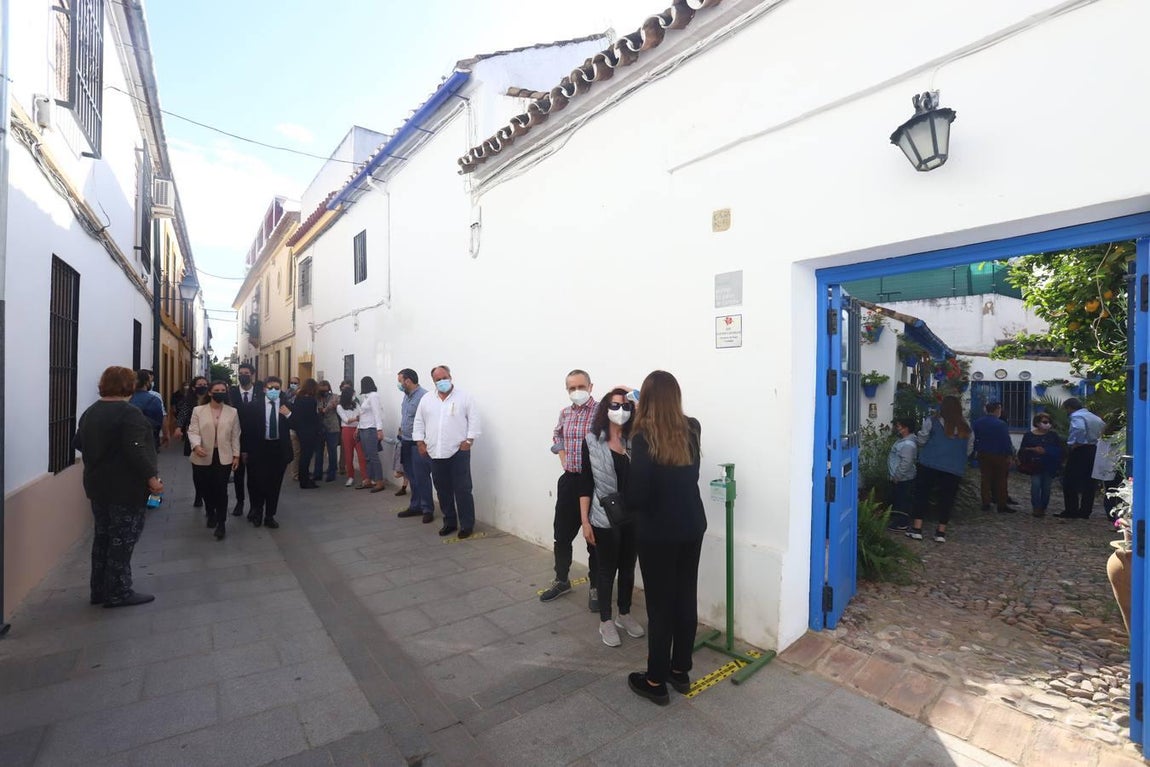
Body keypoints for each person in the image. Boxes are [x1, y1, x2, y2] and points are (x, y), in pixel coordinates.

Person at [624, 370, 705, 706]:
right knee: (685, 597)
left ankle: (655, 680)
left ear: (646, 398)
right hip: (691, 524)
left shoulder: (642, 436)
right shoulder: (693, 427)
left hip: (657, 531)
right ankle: (680, 670)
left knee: (659, 606)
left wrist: (625, 499)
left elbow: (638, 493)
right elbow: (693, 473)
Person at [73, 365, 163, 607]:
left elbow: (78, 442)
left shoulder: (90, 412)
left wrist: (103, 457)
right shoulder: (129, 413)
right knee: (122, 539)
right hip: (125, 488)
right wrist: (152, 479)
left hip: (97, 486)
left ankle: (99, 589)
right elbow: (136, 449)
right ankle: (119, 591)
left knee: (102, 537)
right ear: (129, 385)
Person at [580, 388, 644, 647]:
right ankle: (605, 620)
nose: (620, 411)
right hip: (604, 516)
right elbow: (585, 483)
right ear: (605, 408)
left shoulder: (637, 440)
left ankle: (624, 614)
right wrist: (585, 521)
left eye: (625, 407)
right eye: (615, 405)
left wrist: (638, 404)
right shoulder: (592, 441)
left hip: (633, 516)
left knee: (628, 568)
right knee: (607, 570)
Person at [540, 370, 600, 608]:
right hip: (569, 481)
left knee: (594, 538)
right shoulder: (565, 413)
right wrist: (562, 456)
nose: (577, 392)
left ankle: (596, 586)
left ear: (591, 386)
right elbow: (557, 435)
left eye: (581, 386)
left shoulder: (601, 412)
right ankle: (561, 579)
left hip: (594, 484)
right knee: (561, 535)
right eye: (571, 388)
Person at [414, 365, 481, 538]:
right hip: (435, 452)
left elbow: (474, 420)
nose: (442, 381)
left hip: (458, 452)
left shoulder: (464, 397)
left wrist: (469, 441)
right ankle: (449, 522)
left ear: (450, 377)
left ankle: (466, 525)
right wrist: (420, 443)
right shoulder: (427, 399)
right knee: (442, 489)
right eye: (438, 379)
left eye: (444, 377)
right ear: (433, 381)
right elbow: (419, 421)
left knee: (463, 489)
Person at [907, 395, 971, 543]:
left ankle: (917, 529)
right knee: (947, 499)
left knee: (922, 494)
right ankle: (941, 532)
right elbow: (968, 449)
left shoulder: (932, 421)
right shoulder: (966, 426)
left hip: (930, 463)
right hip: (954, 467)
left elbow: (922, 439)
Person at [188, 380, 242, 539]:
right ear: (210, 393)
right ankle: (210, 511)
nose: (220, 392)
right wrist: (196, 446)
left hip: (223, 456)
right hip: (202, 454)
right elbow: (193, 431)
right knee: (205, 488)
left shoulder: (232, 412)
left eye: (223, 390)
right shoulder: (198, 411)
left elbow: (235, 435)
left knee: (221, 489)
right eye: (217, 390)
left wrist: (236, 455)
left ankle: (221, 522)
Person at [240, 375, 293, 528]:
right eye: (271, 388)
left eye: (277, 388)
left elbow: (297, 424)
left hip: (278, 450)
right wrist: (244, 450)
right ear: (264, 389)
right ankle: (257, 512)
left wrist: (288, 414)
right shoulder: (253, 407)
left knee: (274, 485)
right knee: (258, 483)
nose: (274, 391)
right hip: (259, 449)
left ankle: (270, 515)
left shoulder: (286, 405)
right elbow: (246, 430)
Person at [395, 368, 435, 523]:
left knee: (422, 477)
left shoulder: (424, 396)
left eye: (400, 381)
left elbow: (428, 421)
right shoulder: (406, 397)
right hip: (405, 441)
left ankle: (427, 509)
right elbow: (406, 417)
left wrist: (423, 443)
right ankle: (415, 506)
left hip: (417, 444)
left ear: (408, 381)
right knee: (411, 476)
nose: (399, 385)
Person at [1059, 397, 1105, 519]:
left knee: (1069, 481)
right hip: (1094, 449)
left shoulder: (1077, 416)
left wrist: (1076, 442)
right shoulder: (1094, 417)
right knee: (1089, 482)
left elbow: (1078, 428)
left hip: (1081, 449)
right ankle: (1085, 511)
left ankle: (1071, 510)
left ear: (1069, 408)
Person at [228, 362, 261, 517]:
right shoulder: (231, 393)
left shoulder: (260, 391)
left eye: (246, 373)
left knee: (254, 476)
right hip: (237, 440)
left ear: (252, 374)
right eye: (241, 373)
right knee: (239, 475)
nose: (243, 375)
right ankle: (240, 502)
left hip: (256, 440)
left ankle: (254, 506)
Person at [972, 402, 1018, 513]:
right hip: (999, 455)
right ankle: (1001, 505)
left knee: (985, 479)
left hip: (983, 454)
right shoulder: (1001, 424)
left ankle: (986, 503)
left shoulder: (977, 423)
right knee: (1001, 480)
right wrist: (1010, 455)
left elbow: (974, 438)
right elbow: (1006, 441)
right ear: (997, 410)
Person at [1018, 413, 1065, 517]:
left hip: (1049, 465)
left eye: (1049, 422)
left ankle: (1043, 507)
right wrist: (1033, 449)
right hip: (1034, 465)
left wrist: (1046, 451)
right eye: (1044, 422)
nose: (1047, 424)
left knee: (1046, 488)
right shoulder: (1029, 435)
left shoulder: (1053, 436)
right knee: (1035, 485)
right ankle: (1036, 507)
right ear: (1037, 423)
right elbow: (1022, 449)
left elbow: (1060, 450)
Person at [176, 376, 209, 507]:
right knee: (197, 469)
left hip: (210, 436)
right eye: (200, 384)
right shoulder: (188, 401)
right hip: (194, 436)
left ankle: (207, 493)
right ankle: (198, 494)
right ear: (194, 387)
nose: (203, 386)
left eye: (205, 384)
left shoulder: (212, 399)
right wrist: (178, 428)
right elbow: (183, 415)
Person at [289, 378, 322, 490]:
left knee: (303, 456)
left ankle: (304, 478)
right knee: (306, 456)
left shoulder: (299, 398)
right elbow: (313, 417)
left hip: (300, 430)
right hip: (309, 431)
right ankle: (305, 480)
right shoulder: (311, 400)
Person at [887, 417, 917, 531]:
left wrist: (897, 476)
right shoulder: (905, 441)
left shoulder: (908, 444)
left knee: (902, 500)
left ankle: (901, 522)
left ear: (906, 428)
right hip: (900, 477)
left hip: (903, 478)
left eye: (899, 426)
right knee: (899, 499)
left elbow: (906, 462)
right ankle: (898, 520)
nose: (897, 428)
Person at [357, 376, 387, 492]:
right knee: (367, 457)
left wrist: (379, 430)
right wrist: (358, 429)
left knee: (373, 456)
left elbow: (377, 413)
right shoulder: (366, 397)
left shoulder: (374, 396)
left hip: (371, 428)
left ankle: (379, 481)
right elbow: (363, 415)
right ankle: (368, 480)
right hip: (364, 428)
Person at [337, 387, 369, 487]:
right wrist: (357, 418)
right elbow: (346, 420)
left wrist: (358, 426)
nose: (354, 397)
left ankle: (365, 477)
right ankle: (350, 477)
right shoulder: (339, 407)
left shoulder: (356, 404)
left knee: (361, 455)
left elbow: (362, 415)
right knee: (348, 455)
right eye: (352, 395)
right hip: (346, 431)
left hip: (358, 430)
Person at [129, 369, 166, 451]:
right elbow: (158, 421)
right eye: (150, 380)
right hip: (148, 442)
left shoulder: (128, 398)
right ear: (146, 382)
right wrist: (165, 435)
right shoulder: (154, 399)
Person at [314, 380, 341, 482]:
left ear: (329, 389)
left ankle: (332, 473)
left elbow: (335, 403)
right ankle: (318, 473)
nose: (324, 392)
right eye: (322, 390)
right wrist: (324, 408)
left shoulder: (335, 396)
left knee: (332, 451)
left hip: (332, 428)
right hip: (319, 428)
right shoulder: (316, 398)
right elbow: (317, 408)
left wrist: (328, 407)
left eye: (326, 389)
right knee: (319, 452)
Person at [285, 375, 303, 481]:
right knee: (296, 451)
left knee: (299, 451)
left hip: (299, 426)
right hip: (290, 426)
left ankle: (298, 471)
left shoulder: (300, 395)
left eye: (295, 383)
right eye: (291, 383)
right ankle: (295, 473)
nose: (293, 385)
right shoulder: (286, 394)